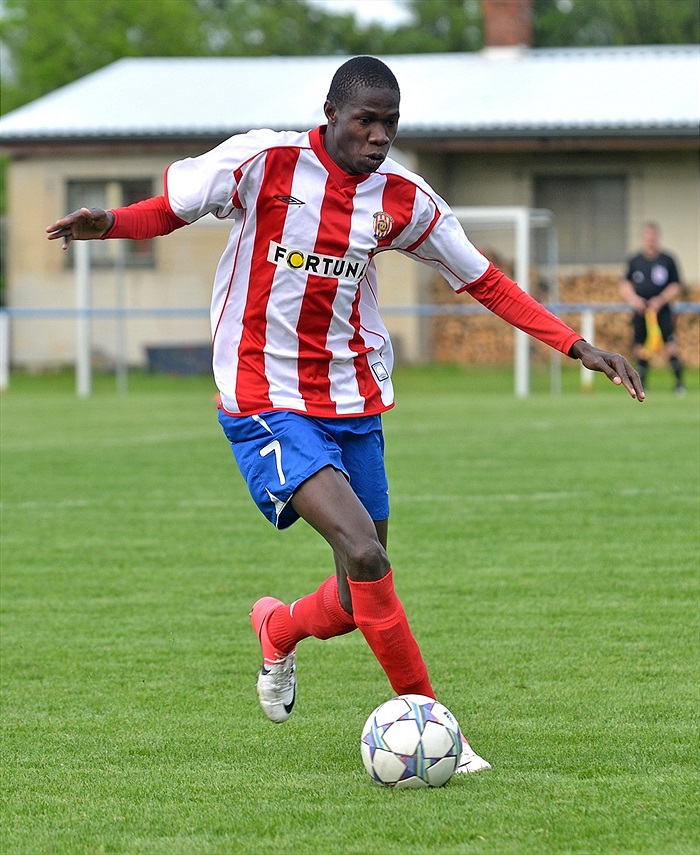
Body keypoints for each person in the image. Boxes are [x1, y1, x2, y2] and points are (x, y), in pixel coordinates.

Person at [47, 56, 644, 775]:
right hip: (263, 396)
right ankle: (438, 724)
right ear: (330, 111)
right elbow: (171, 210)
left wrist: (577, 343)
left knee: (362, 590)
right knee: (365, 551)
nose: (379, 135)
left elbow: (482, 280)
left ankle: (278, 624)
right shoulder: (264, 163)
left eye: (390, 123)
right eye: (366, 119)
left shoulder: (404, 199)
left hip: (353, 400)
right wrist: (107, 222)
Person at [619, 222, 686, 394]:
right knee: (640, 346)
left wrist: (660, 300)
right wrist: (635, 300)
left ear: (657, 237)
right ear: (643, 237)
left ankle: (679, 385)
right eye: (647, 235)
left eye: (653, 235)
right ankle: (642, 385)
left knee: (670, 344)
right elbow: (624, 284)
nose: (650, 239)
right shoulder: (635, 260)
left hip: (662, 311)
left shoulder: (667, 260)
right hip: (642, 311)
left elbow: (676, 285)